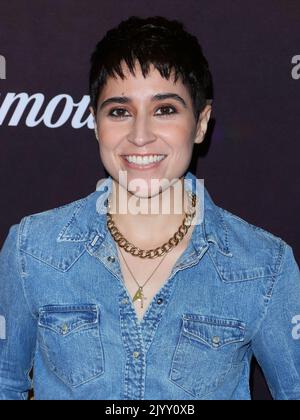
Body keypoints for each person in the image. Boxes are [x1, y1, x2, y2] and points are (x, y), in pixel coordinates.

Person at [0, 15, 299, 401]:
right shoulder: (30, 250)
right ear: (95, 122)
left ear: (201, 123)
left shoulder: (264, 265)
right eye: (120, 111)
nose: (140, 136)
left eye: (165, 110)